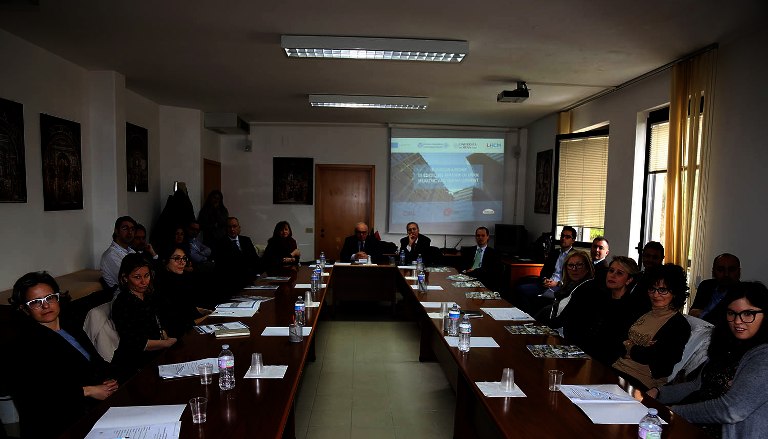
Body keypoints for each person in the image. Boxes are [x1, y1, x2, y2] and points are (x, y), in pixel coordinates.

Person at [647, 282, 768, 439]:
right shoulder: (729, 345)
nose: (738, 321)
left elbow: (731, 410)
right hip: (692, 422)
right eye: (731, 313)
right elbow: (697, 385)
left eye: (747, 314)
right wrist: (659, 393)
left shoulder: (763, 356)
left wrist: (673, 412)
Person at [7, 272, 118, 438]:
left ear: (58, 298)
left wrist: (110, 379)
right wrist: (88, 391)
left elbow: (95, 361)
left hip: (92, 408)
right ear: (24, 309)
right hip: (58, 423)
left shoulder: (70, 325)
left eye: (50, 298)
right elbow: (37, 395)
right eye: (36, 302)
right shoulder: (24, 345)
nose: (46, 306)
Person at [613, 264, 691, 389]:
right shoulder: (641, 311)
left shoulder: (679, 325)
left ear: (675, 292)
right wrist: (639, 349)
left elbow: (662, 362)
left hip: (642, 381)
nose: (655, 294)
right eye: (652, 289)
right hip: (616, 369)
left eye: (663, 290)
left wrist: (630, 347)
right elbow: (616, 339)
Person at [565, 256, 645, 364]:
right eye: (611, 271)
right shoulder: (597, 299)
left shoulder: (631, 308)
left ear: (629, 280)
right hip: (582, 353)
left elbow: (615, 344)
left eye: (619, 273)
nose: (612, 275)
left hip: (606, 361)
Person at [111, 254, 178, 382]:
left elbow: (160, 322)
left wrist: (165, 335)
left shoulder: (149, 296)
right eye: (137, 277)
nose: (144, 282)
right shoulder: (123, 303)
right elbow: (136, 343)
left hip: (158, 353)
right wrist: (168, 343)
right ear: (125, 278)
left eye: (146, 276)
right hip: (135, 363)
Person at [154, 247, 210, 332]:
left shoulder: (183, 278)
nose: (182, 262)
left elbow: (186, 307)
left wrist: (206, 311)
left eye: (184, 258)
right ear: (165, 260)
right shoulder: (162, 284)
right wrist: (208, 317)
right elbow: (181, 324)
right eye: (177, 258)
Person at [539, 250, 594, 330]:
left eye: (579, 265)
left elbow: (564, 319)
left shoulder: (587, 288)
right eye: (570, 265)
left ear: (587, 268)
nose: (574, 269)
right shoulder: (569, 285)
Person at [690, 253, 741, 323]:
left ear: (739, 271)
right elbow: (692, 312)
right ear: (713, 271)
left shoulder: (743, 293)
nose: (726, 274)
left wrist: (702, 314)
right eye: (720, 270)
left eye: (731, 270)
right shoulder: (706, 285)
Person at [214, 217, 262, 291]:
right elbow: (223, 266)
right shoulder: (220, 243)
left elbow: (255, 259)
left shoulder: (246, 240)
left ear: (239, 228)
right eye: (229, 227)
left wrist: (258, 274)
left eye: (234, 226)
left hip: (250, 278)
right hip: (232, 280)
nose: (232, 229)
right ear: (225, 229)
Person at [100, 216, 137, 289]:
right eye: (125, 228)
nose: (130, 232)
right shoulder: (111, 255)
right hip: (124, 293)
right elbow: (128, 280)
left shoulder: (132, 251)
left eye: (132, 229)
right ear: (116, 231)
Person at [460, 226, 501, 290]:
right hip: (468, 279)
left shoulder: (493, 253)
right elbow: (462, 266)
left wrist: (474, 271)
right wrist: (465, 271)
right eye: (478, 235)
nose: (480, 238)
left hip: (484, 280)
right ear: (475, 237)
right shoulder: (468, 251)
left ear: (487, 237)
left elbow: (491, 270)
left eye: (483, 235)